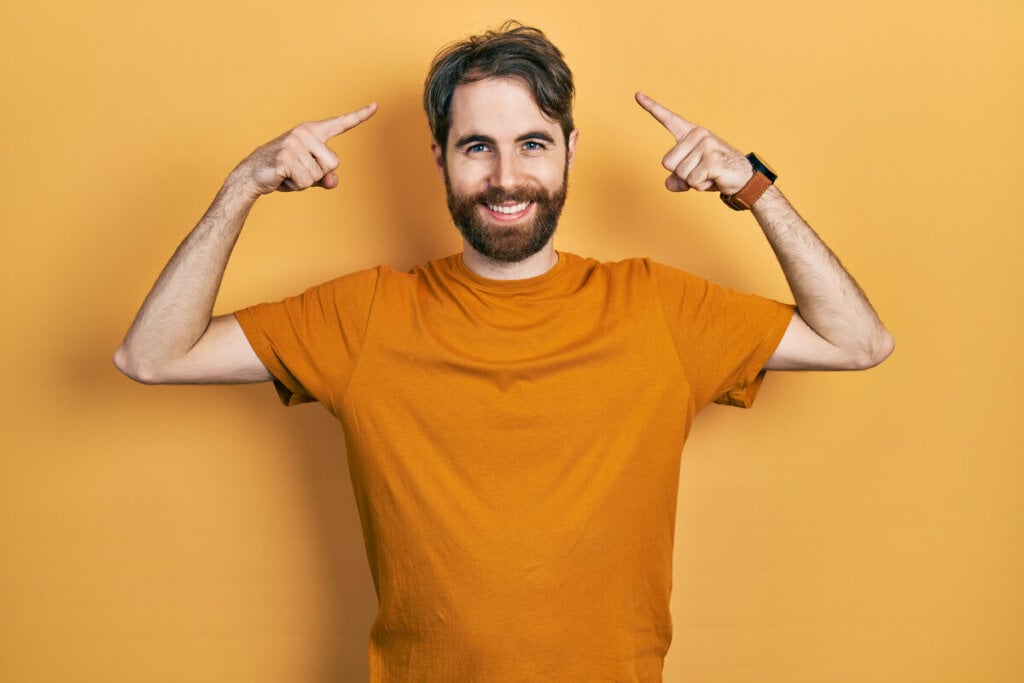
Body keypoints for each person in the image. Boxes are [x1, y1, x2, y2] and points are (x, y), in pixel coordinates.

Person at [114, 21, 892, 681]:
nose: (507, 176)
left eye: (532, 143)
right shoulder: (366, 315)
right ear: (439, 158)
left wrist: (752, 186)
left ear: (570, 150)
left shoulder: (659, 307)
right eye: (477, 146)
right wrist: (243, 184)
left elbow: (858, 340)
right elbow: (151, 355)